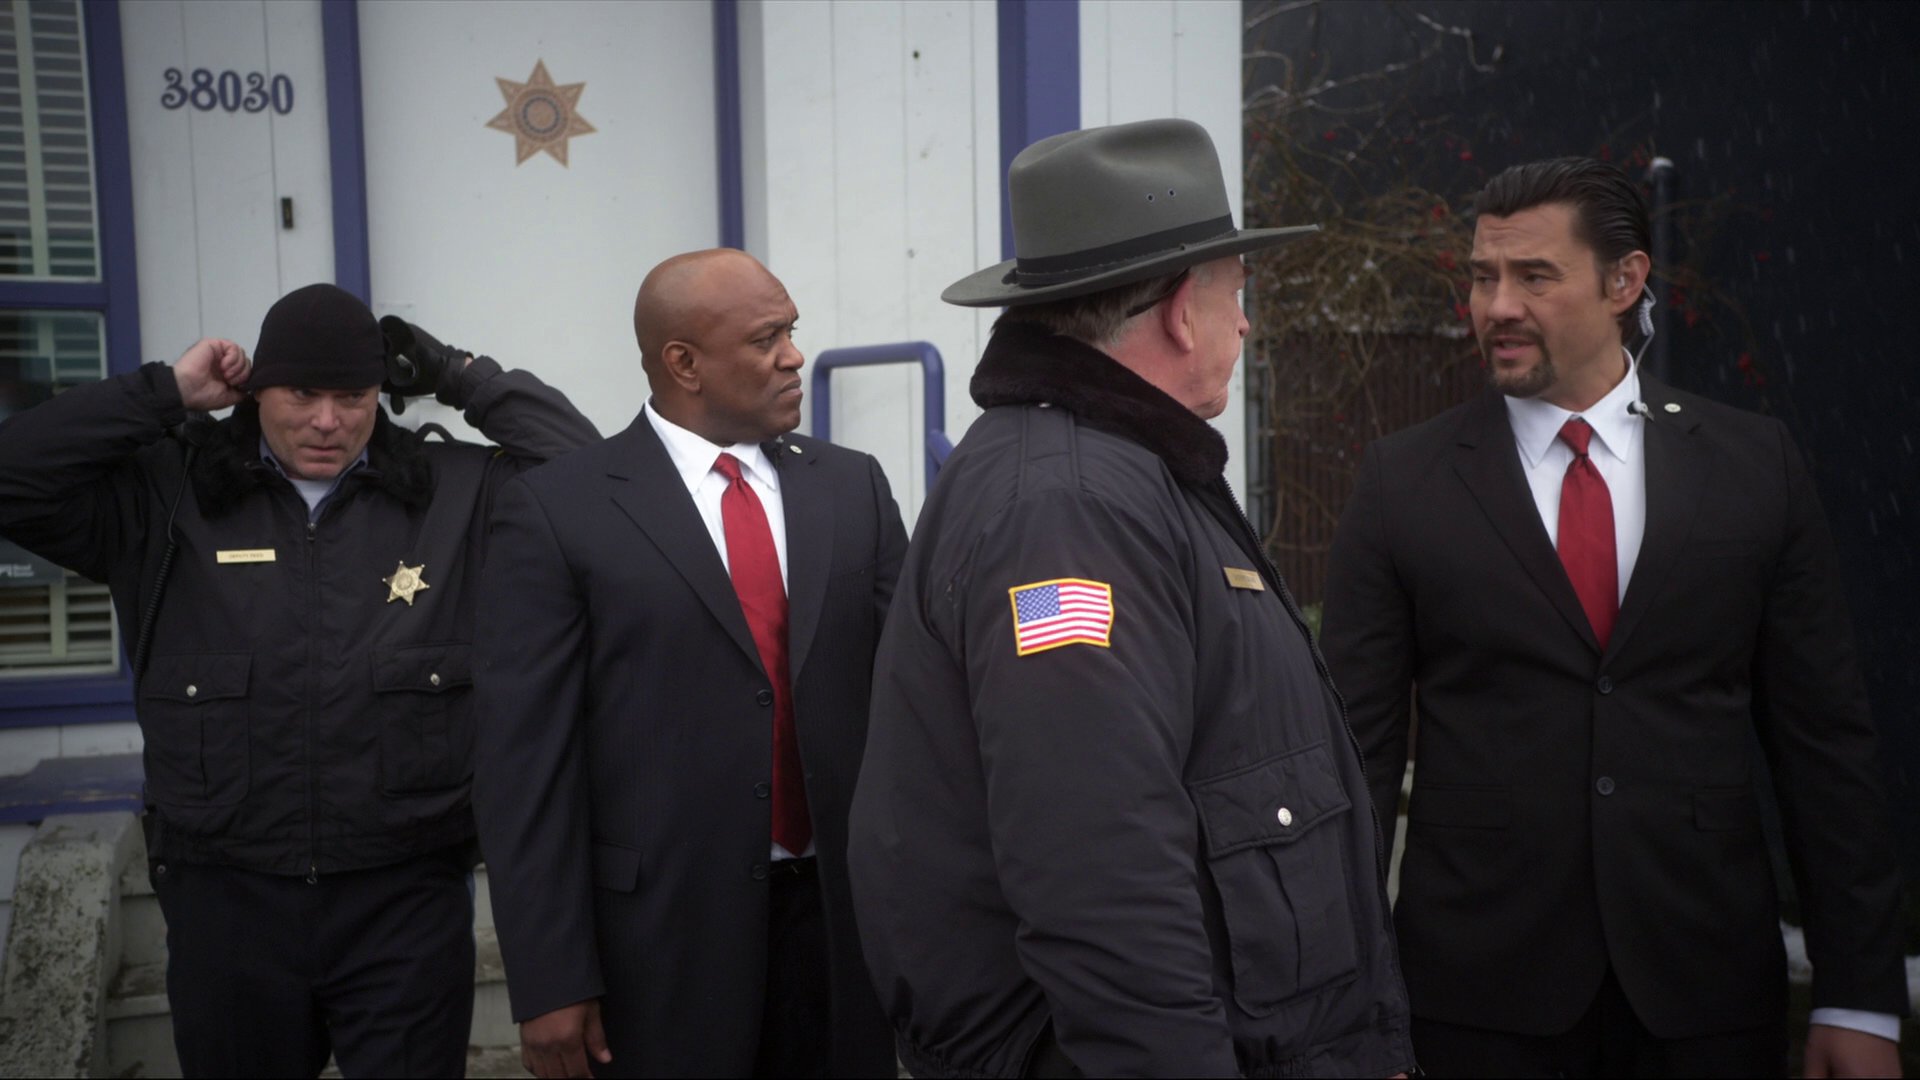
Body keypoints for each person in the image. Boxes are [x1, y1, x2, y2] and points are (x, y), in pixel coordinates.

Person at [845, 117, 1415, 1078]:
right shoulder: (1066, 508)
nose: (1245, 324)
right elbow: (1097, 867)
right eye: (1238, 293)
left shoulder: (1117, 473)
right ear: (1184, 310)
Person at [1321, 157, 1910, 1078]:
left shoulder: (1755, 467)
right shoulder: (1401, 484)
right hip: (1473, 1004)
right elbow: (1348, 763)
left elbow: (1825, 748)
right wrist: (1351, 1016)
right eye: (1483, 277)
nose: (1497, 306)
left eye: (1534, 276)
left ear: (1624, 281)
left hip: (1706, 995)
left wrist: (1859, 997)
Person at [0, 282, 599, 1077]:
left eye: (352, 397)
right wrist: (164, 392)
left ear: (381, 394)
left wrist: (460, 374)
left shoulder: (452, 493)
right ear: (255, 392)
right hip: (227, 902)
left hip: (405, 901)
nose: (327, 421)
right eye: (302, 396)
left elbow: (595, 483)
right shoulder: (167, 494)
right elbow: (14, 474)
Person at [472, 248, 907, 1078]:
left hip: (841, 934)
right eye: (766, 338)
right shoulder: (560, 509)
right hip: (659, 950)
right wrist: (550, 977)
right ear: (684, 363)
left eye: (792, 331)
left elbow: (914, 698)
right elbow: (524, 766)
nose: (793, 356)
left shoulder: (852, 488)